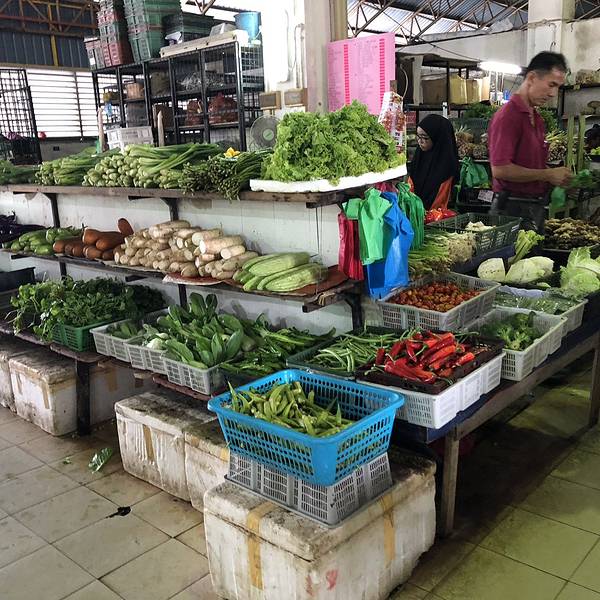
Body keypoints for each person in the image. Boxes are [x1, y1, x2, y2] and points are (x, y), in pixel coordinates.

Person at [488, 51, 572, 230]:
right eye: (551, 85)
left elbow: (530, 163)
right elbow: (500, 170)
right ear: (532, 78)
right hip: (510, 210)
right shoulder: (508, 116)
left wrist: (556, 176)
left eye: (558, 87)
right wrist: (548, 174)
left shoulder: (536, 118)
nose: (553, 93)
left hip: (532, 208)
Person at [408, 114, 460, 210]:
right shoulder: (419, 157)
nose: (420, 141)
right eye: (418, 137)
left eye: (425, 138)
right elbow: (410, 187)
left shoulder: (446, 166)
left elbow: (440, 200)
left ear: (438, 138)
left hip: (436, 215)